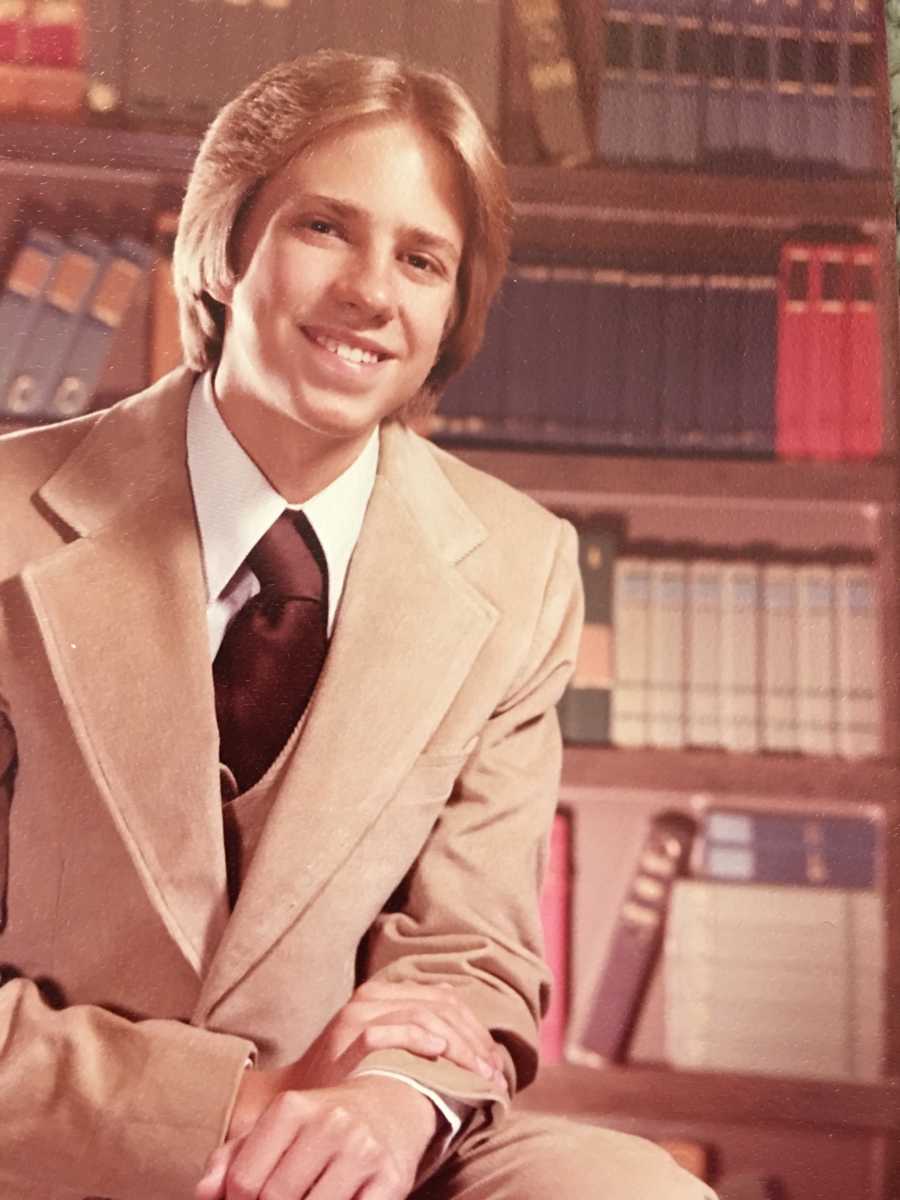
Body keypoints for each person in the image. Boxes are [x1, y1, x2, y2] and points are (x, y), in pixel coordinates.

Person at [0, 50, 716, 1200]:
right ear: (229, 250)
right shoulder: (7, 530)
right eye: (325, 228)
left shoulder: (523, 568)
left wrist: (386, 1105)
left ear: (449, 312)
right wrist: (245, 1102)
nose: (372, 292)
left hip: (361, 1151)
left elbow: (471, 950)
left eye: (422, 259)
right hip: (54, 1146)